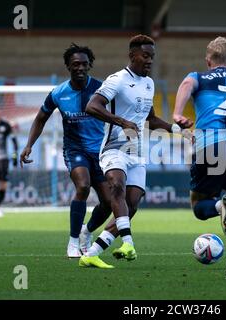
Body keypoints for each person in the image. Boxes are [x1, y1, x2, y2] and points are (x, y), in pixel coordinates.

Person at [79, 34, 190, 269]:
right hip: (113, 148)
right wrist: (121, 122)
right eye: (145, 56)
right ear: (132, 55)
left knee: (133, 204)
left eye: (153, 57)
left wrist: (176, 129)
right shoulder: (117, 80)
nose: (150, 61)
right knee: (117, 187)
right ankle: (128, 242)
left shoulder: (149, 84)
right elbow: (92, 106)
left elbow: (149, 120)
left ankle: (92, 252)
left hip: (137, 152)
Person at [173, 36, 226, 280]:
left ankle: (220, 206)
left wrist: (178, 113)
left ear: (208, 61)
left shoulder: (198, 76)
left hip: (211, 143)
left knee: (199, 207)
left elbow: (187, 84)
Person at [20, 43, 112, 258]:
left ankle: (85, 231)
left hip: (100, 152)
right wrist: (28, 145)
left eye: (84, 64)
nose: (80, 68)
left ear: (90, 66)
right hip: (74, 150)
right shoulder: (58, 93)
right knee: (83, 186)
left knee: (108, 202)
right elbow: (41, 117)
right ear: (68, 67)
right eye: (75, 64)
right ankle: (72, 243)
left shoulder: (102, 90)